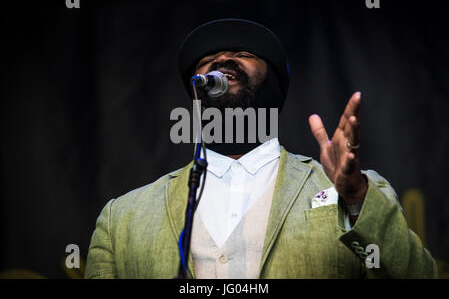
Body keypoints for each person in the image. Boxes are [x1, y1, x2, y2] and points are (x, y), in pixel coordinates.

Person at [85, 19, 438, 278]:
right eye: (207, 61)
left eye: (241, 54)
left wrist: (358, 200)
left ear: (276, 84)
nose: (221, 62)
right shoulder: (123, 219)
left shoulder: (356, 193)